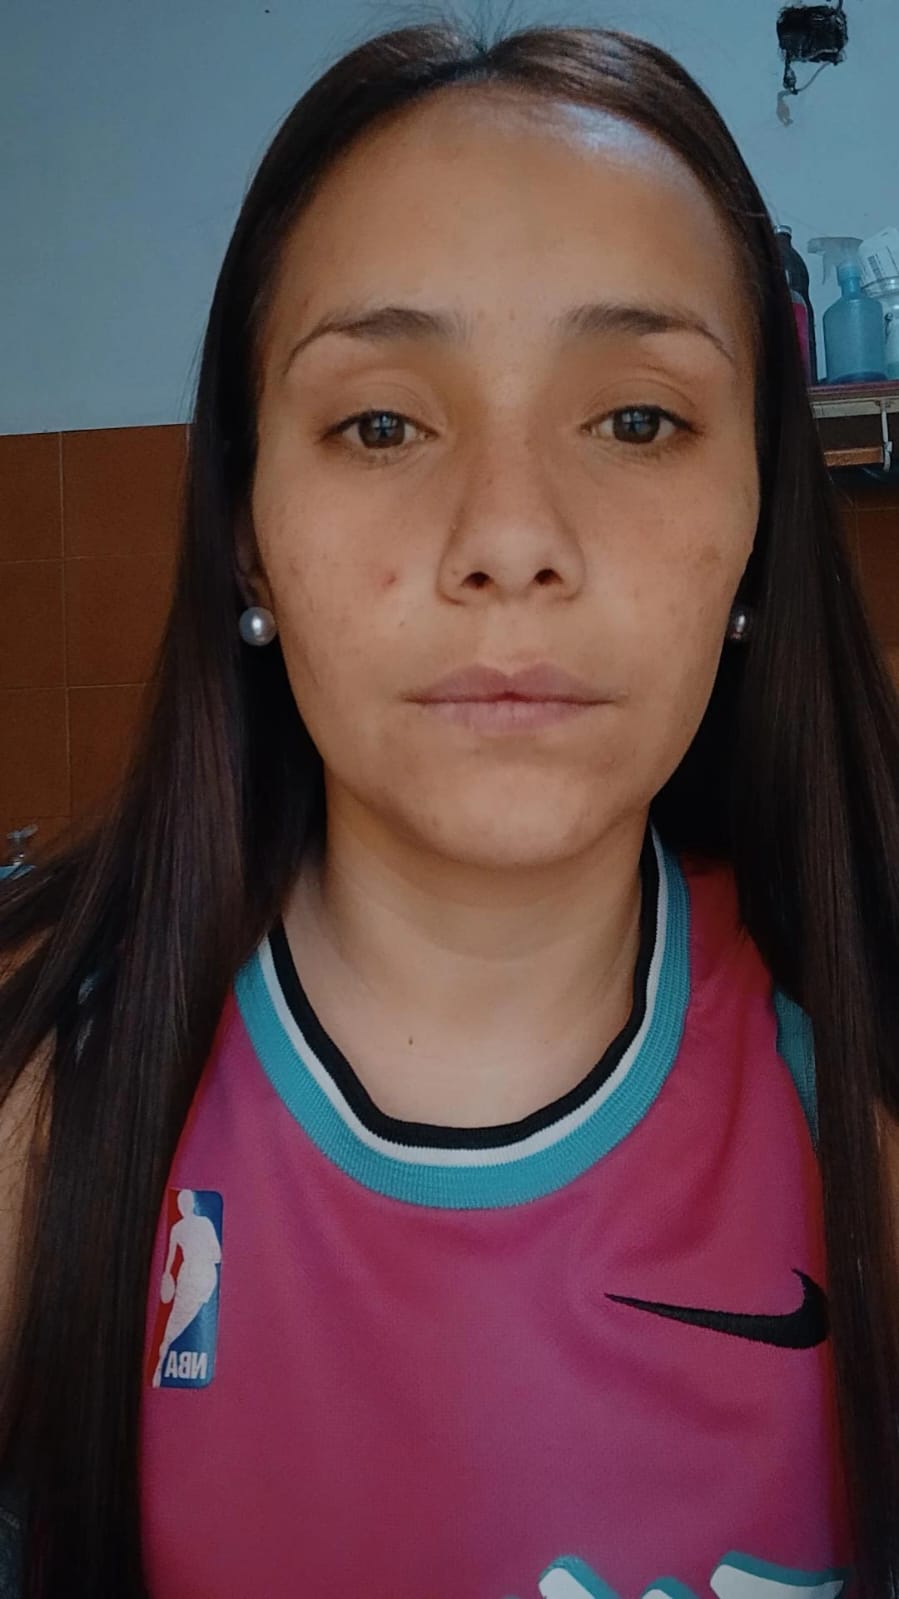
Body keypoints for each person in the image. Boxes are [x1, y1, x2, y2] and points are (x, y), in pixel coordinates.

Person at [1, 12, 898, 1597]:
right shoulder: (43, 1106)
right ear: (247, 533)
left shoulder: (864, 1088)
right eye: (382, 423)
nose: (508, 539)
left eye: (637, 420)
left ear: (761, 521)